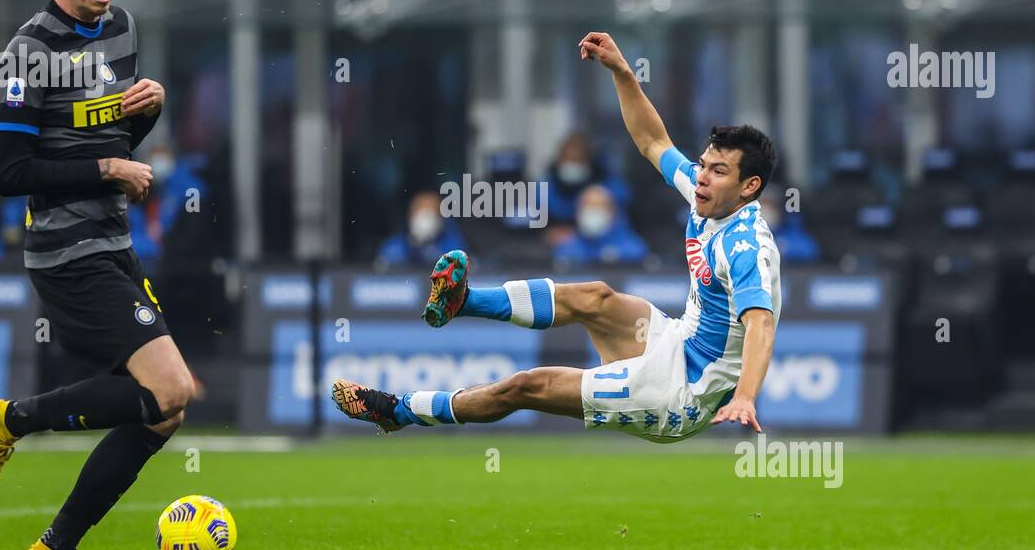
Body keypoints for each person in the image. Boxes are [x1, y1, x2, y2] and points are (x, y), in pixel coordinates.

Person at [331, 31, 781, 443]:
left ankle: (399, 410)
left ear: (749, 187)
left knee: (528, 386)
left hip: (679, 393)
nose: (701, 177)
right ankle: (462, 302)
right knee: (595, 297)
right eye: (703, 164)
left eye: (717, 171)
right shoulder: (707, 197)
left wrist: (745, 396)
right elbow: (652, 142)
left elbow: (760, 323)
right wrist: (623, 73)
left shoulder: (745, 246)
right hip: (677, 341)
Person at [0, 0, 195, 550]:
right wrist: (107, 171)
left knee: (167, 410)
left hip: (114, 241)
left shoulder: (121, 30)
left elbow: (111, 142)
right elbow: (9, 174)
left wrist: (143, 115)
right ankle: (5, 419)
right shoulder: (26, 54)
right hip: (66, 252)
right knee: (169, 387)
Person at [552, 184, 649, 266]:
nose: (592, 212)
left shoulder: (632, 247)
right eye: (587, 206)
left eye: (598, 206)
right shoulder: (567, 249)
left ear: (612, 212)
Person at [376, 190, 468, 268]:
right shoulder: (394, 246)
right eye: (420, 213)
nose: (425, 221)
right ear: (411, 217)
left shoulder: (452, 246)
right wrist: (414, 246)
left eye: (430, 214)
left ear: (440, 219)